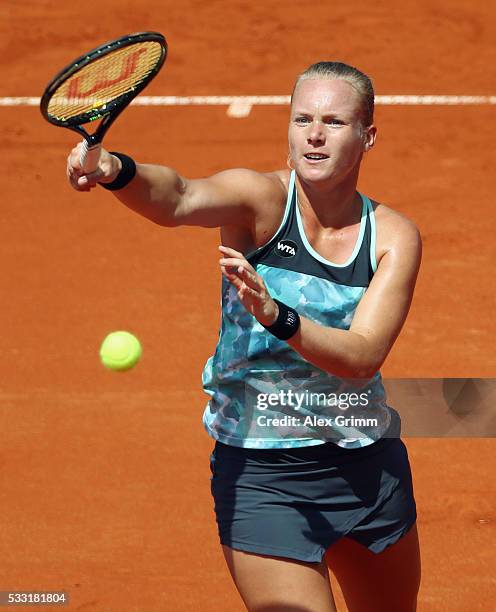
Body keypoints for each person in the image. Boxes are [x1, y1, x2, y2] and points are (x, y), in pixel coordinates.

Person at [67, 61, 422, 612]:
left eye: (334, 121)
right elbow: (179, 197)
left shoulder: (392, 236)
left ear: (367, 135)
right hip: (262, 475)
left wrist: (276, 314)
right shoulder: (260, 201)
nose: (314, 134)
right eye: (302, 118)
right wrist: (115, 169)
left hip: (366, 467)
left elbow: (362, 356)